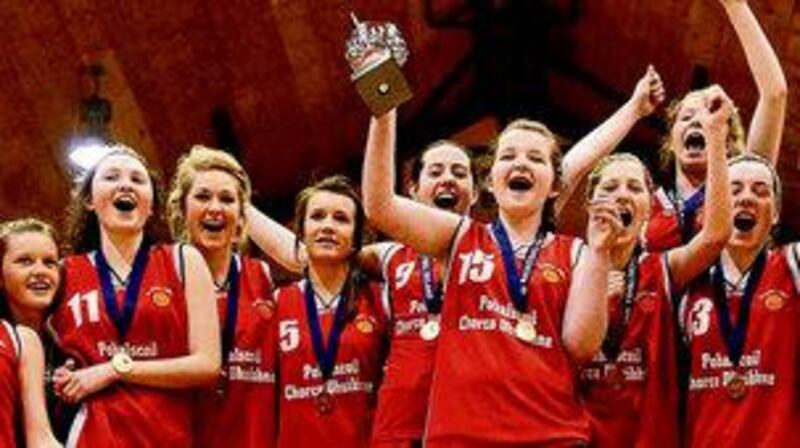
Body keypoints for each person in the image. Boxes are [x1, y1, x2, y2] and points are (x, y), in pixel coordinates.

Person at [363, 110, 621, 446]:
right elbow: (380, 206)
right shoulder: (459, 236)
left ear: (557, 185)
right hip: (461, 437)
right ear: (488, 180)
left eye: (536, 158)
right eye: (508, 156)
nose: (521, 164)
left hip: (552, 435)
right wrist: (384, 109)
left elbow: (581, 346)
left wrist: (601, 254)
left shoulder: (577, 252)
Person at [578, 87, 733, 448]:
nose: (622, 194)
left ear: (649, 207)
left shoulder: (660, 268)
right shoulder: (570, 267)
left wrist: (716, 138)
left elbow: (715, 235)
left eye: (634, 186)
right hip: (580, 436)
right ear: (589, 204)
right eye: (610, 186)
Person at [48, 143, 220, 447]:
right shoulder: (64, 272)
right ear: (89, 199)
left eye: (137, 180)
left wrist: (115, 369)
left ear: (151, 204)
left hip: (168, 436)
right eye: (111, 177)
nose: (125, 184)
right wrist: (58, 374)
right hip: (91, 436)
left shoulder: (182, 260)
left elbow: (206, 364)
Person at [645, 0, 787, 251]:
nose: (699, 122)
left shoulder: (746, 186)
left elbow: (774, 94)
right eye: (687, 117)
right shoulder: (645, 203)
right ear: (671, 142)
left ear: (728, 141)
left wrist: (736, 6)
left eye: (710, 116)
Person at [680, 153, 799, 446]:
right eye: (733, 190)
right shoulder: (684, 282)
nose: (747, 198)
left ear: (775, 214)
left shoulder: (793, 264)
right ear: (711, 209)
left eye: (760, 191)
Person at [166, 145, 277, 448]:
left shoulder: (262, 276)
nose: (215, 208)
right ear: (181, 209)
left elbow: (302, 258)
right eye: (202, 197)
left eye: (227, 199)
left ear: (243, 217)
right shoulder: (161, 275)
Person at [274, 175, 387, 447]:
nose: (327, 226)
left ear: (357, 237)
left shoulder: (379, 298)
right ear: (301, 231)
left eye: (341, 218)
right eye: (317, 216)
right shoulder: (278, 302)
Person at [0, 218, 61, 447]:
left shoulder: (73, 346)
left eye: (49, 263)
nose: (40, 271)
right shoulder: (7, 341)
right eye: (25, 261)